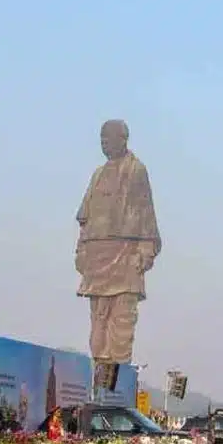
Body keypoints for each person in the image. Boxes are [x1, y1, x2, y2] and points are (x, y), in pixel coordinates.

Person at [75, 119, 162, 364]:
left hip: (125, 255)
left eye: (108, 139)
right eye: (101, 139)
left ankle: (116, 383)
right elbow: (85, 218)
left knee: (122, 324)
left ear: (123, 139)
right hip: (97, 257)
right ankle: (100, 376)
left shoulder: (136, 170)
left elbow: (145, 213)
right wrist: (81, 250)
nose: (104, 144)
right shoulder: (98, 174)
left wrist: (144, 251)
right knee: (98, 324)